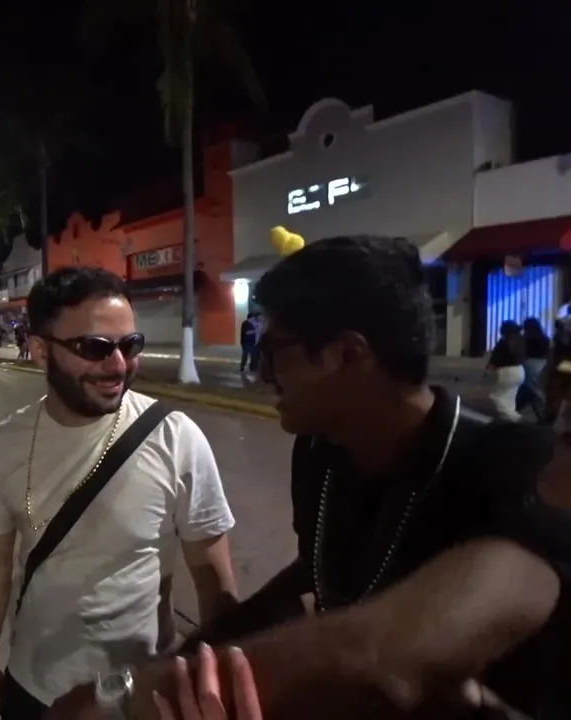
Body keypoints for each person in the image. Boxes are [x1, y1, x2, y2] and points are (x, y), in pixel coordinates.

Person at [44, 236, 571, 719]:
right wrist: (189, 659)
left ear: (347, 355)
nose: (262, 373)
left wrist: (124, 698)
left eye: (275, 352)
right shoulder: (321, 452)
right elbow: (311, 576)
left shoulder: (516, 465)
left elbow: (378, 655)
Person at [0, 267, 237, 720]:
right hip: (34, 689)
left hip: (142, 696)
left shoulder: (176, 438)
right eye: (94, 348)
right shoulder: (4, 445)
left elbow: (213, 577)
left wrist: (213, 683)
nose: (118, 365)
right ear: (40, 350)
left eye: (130, 345)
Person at [484, 320, 525, 421]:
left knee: (498, 397)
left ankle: (513, 418)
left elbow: (496, 358)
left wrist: (488, 369)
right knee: (509, 398)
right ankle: (511, 417)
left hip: (507, 371)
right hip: (519, 370)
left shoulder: (504, 342)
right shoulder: (520, 340)